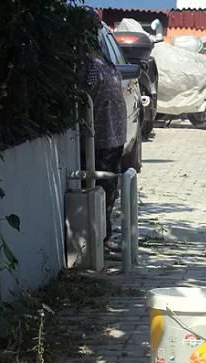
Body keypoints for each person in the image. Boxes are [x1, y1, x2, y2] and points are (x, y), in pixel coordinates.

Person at [84, 34, 127, 254]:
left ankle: (106, 237)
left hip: (115, 135)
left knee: (111, 190)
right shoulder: (82, 61)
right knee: (99, 188)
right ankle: (98, 240)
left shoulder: (104, 58)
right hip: (98, 137)